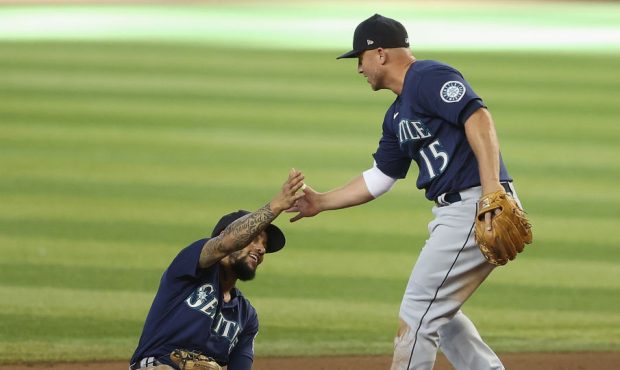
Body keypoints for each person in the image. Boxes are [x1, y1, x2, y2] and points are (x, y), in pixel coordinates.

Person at [289, 14, 529, 370]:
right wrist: (322, 201)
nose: (358, 68)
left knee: (418, 311)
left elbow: (478, 118)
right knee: (439, 314)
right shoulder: (395, 115)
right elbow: (380, 177)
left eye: (360, 58)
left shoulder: (428, 76)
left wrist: (491, 192)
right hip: (456, 209)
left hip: (476, 202)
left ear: (381, 53)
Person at [129, 169, 305, 370]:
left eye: (264, 245)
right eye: (253, 238)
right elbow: (225, 243)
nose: (261, 248)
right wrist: (275, 207)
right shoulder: (191, 265)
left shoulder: (246, 315)